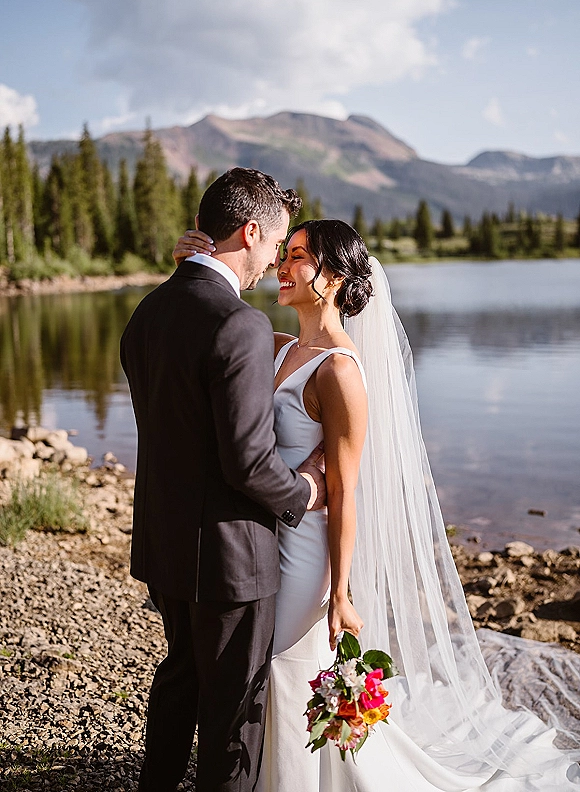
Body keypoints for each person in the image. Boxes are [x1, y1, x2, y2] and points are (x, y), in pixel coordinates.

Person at [174, 217, 580, 792]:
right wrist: (193, 265)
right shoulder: (275, 344)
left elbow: (344, 494)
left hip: (304, 554)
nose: (282, 267)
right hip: (261, 536)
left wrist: (340, 593)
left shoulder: (340, 372)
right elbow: (210, 319)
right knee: (261, 669)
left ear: (333, 278)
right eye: (282, 253)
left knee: (286, 670)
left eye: (296, 257)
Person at [120, 168, 327, 792]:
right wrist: (307, 491)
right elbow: (247, 462)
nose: (274, 260)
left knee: (179, 677)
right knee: (234, 715)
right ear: (251, 231)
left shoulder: (147, 312)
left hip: (164, 544)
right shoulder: (239, 324)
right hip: (232, 557)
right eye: (276, 243)